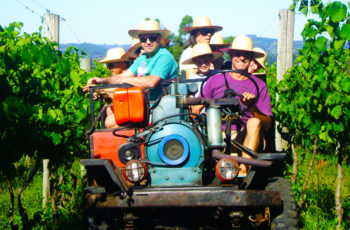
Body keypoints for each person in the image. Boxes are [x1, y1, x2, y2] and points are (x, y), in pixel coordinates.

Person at [193, 36, 272, 176]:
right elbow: (196, 108)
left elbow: (267, 124)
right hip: (215, 135)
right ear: (231, 55)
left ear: (251, 57)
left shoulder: (259, 85)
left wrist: (252, 107)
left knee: (254, 122)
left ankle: (243, 169)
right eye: (238, 54)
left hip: (245, 136)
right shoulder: (214, 80)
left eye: (246, 54)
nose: (242, 58)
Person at [84, 20, 178, 128]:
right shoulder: (142, 58)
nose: (148, 42)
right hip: (143, 105)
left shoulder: (164, 57)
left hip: (159, 108)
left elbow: (151, 82)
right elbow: (122, 77)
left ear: (159, 38)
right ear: (140, 41)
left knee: (110, 122)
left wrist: (125, 80)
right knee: (110, 113)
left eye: (152, 38)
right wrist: (101, 81)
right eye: (143, 39)